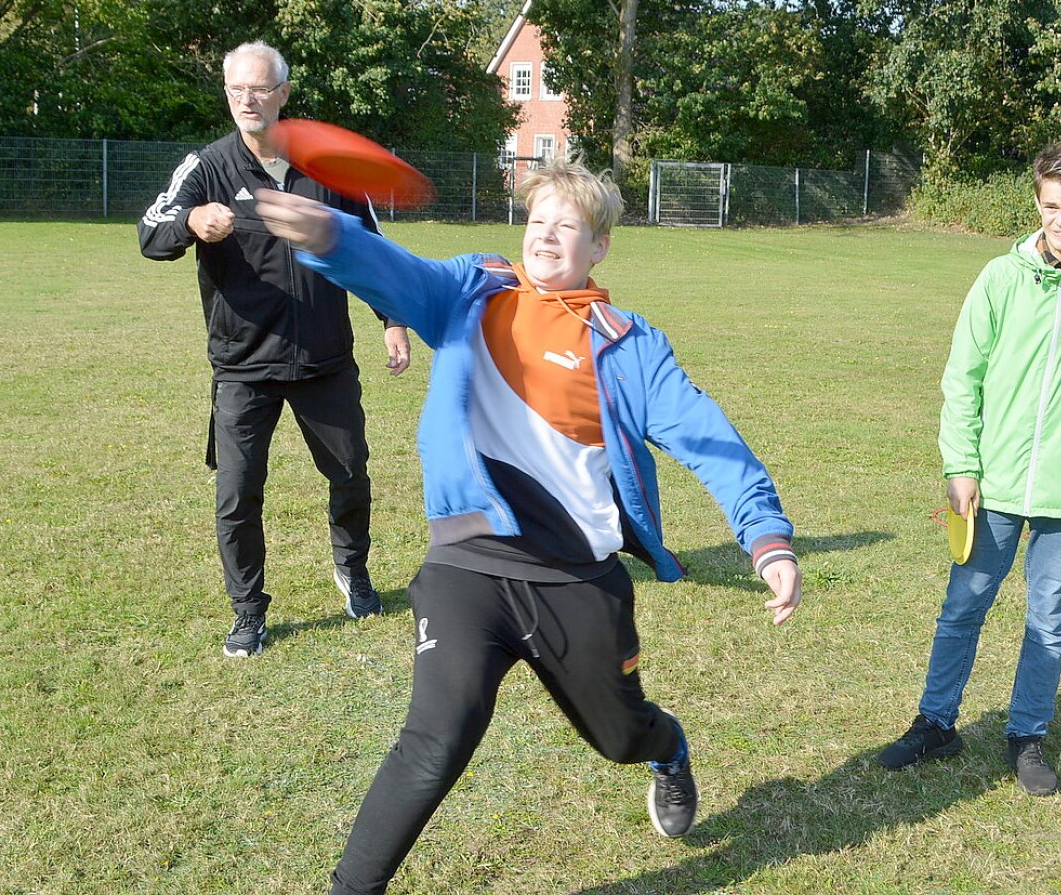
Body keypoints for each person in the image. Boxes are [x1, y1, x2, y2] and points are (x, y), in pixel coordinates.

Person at [253, 158, 803, 895]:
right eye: (537, 221)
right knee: (437, 735)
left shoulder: (628, 343)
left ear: (598, 246)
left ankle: (668, 751)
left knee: (619, 737)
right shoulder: (471, 292)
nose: (545, 236)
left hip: (578, 579)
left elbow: (710, 440)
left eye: (566, 227)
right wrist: (331, 235)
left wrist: (765, 538)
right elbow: (395, 274)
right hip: (466, 564)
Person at [877, 142, 1061, 795]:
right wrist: (960, 465)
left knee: (1049, 619)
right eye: (1052, 206)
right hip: (991, 481)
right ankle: (935, 724)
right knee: (962, 606)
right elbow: (961, 376)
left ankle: (1026, 734)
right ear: (1036, 203)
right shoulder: (999, 278)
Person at [138, 41, 412, 657]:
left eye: (260, 88)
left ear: (284, 93)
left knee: (349, 477)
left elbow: (373, 250)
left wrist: (393, 318)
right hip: (243, 365)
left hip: (325, 360)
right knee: (237, 496)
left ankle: (353, 570)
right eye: (237, 90)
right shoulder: (206, 167)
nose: (248, 100)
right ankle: (248, 612)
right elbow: (148, 232)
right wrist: (190, 224)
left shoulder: (329, 167)